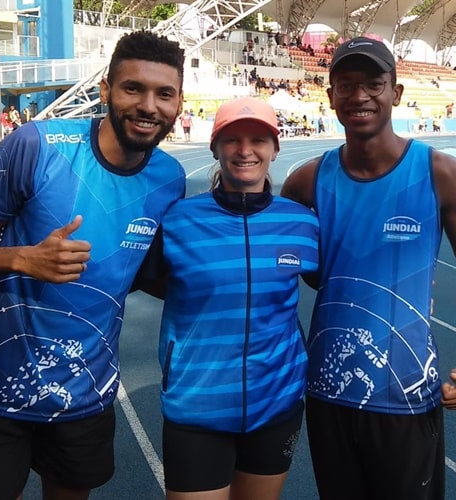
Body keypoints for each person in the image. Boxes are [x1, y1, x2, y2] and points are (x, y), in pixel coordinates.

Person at [0, 30, 187, 500]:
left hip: (83, 390)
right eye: (133, 88)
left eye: (164, 94)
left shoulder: (169, 179)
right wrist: (22, 259)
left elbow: (139, 274)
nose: (149, 105)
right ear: (106, 90)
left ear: (178, 103)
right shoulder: (37, 145)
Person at [280, 36, 456, 500]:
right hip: (328, 391)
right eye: (346, 85)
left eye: (374, 83)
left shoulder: (440, 173)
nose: (360, 96)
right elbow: (286, 262)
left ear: (395, 93)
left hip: (407, 391)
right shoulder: (307, 182)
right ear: (330, 94)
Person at [135, 97, 319, 499]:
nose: (245, 151)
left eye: (258, 139)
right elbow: (125, 277)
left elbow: (333, 282)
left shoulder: (301, 222)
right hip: (197, 404)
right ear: (215, 147)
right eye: (232, 139)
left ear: (275, 148)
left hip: (278, 403)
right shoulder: (179, 220)